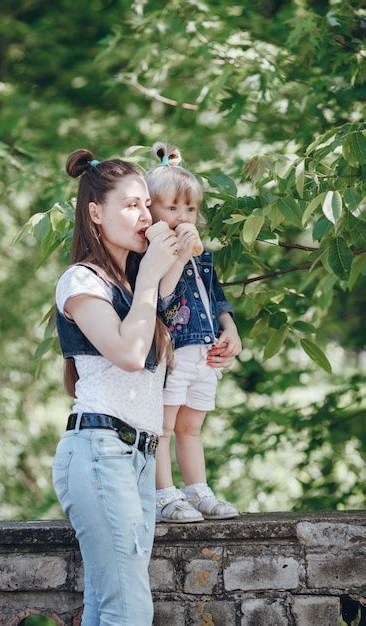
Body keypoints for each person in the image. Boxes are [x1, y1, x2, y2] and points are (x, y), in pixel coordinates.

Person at [52, 148, 179, 626]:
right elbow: (127, 355)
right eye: (130, 205)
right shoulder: (81, 281)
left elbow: (175, 328)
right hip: (101, 451)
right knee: (127, 610)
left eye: (147, 204)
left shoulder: (130, 289)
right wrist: (150, 274)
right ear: (95, 214)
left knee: (108, 608)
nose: (145, 215)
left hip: (137, 457)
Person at [145, 141, 242, 523]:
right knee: (164, 427)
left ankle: (197, 490)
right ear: (150, 209)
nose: (183, 215)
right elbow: (163, 298)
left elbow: (216, 297)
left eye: (190, 208)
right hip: (174, 352)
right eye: (172, 208)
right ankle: (163, 495)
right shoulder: (153, 252)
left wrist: (230, 329)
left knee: (192, 427)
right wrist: (180, 253)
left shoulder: (203, 256)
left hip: (204, 352)